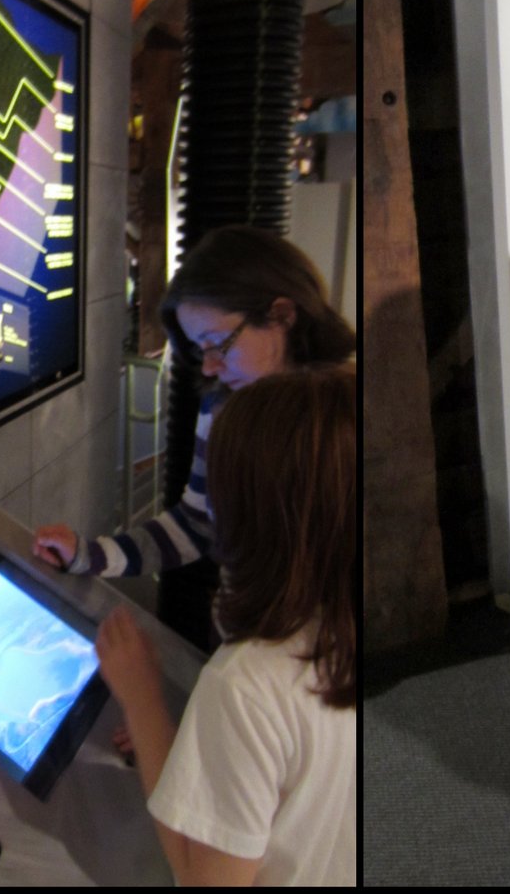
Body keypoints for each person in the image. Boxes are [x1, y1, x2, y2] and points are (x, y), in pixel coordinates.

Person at [32, 225, 355, 653]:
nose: (208, 367)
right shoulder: (221, 407)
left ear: (282, 315)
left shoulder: (345, 419)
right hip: (242, 640)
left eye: (218, 343)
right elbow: (196, 524)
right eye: (200, 349)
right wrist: (89, 555)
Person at [92, 364, 357, 885]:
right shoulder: (342, 627)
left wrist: (142, 699)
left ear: (246, 516)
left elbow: (203, 878)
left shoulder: (243, 684)